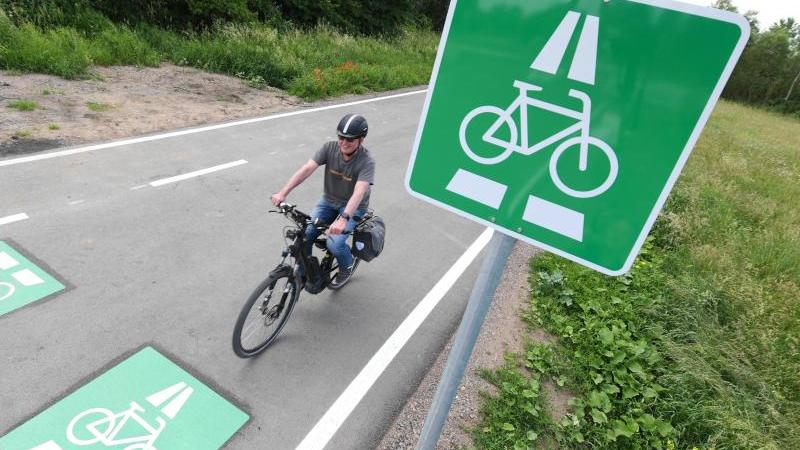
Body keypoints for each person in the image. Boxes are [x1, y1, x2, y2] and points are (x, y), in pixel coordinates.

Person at [271, 113, 375, 288]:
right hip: (328, 201)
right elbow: (307, 169)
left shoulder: (366, 161)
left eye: (350, 139)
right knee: (305, 235)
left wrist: (343, 219)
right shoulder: (329, 148)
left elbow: (359, 192)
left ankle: (346, 266)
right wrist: (283, 193)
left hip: (353, 208)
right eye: (341, 137)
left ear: (361, 140)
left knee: (334, 244)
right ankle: (304, 277)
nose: (344, 142)